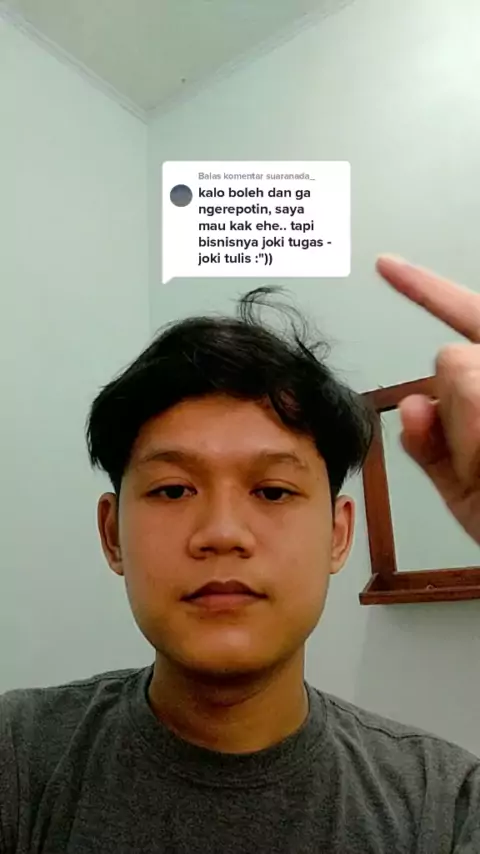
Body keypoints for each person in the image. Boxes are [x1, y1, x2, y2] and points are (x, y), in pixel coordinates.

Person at [1, 256, 479, 854]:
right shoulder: (18, 761)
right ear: (112, 533)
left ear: (338, 535)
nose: (223, 533)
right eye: (173, 490)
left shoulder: (444, 807)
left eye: (272, 491)